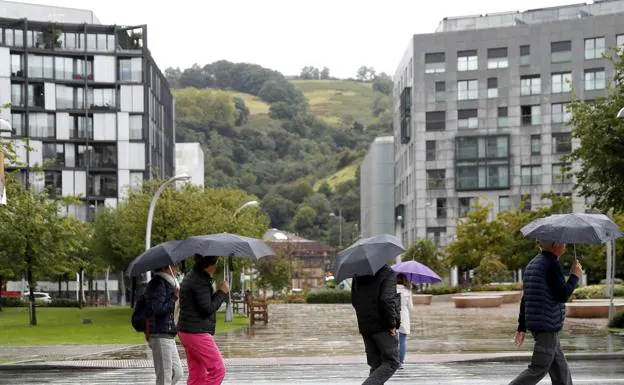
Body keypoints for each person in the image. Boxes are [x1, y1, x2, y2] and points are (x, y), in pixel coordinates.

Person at [508, 240, 583, 385]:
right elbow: (562, 295)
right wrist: (575, 275)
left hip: (542, 325)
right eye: (563, 243)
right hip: (547, 326)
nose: (565, 246)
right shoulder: (551, 264)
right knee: (538, 369)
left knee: (561, 372)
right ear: (555, 245)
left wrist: (522, 326)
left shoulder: (533, 264)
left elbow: (527, 297)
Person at [178, 255, 230, 385]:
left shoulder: (194, 276)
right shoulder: (200, 281)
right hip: (196, 332)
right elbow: (207, 308)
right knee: (218, 369)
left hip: (187, 331)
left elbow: (202, 303)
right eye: (217, 261)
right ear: (211, 264)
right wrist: (222, 292)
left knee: (197, 374)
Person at [351, 265, 401, 385]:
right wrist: (391, 324)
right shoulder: (387, 272)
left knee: (376, 365)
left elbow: (354, 300)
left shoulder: (357, 274)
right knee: (391, 362)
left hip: (365, 326)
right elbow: (386, 299)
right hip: (383, 326)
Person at [145, 265, 183, 385]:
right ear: (166, 268)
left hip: (168, 333)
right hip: (159, 332)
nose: (176, 269)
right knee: (165, 376)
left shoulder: (169, 284)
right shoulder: (157, 284)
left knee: (177, 373)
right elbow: (159, 309)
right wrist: (174, 297)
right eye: (174, 266)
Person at [395, 273, 413, 368]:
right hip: (404, 316)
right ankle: (400, 362)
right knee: (402, 341)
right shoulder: (408, 291)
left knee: (393, 340)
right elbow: (411, 308)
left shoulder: (391, 289)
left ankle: (392, 361)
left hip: (393, 316)